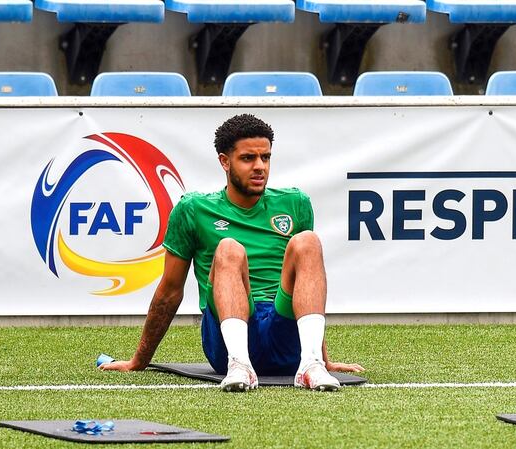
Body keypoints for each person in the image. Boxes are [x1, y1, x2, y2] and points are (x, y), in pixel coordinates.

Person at [100, 114, 364, 392]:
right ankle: (240, 364)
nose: (260, 166)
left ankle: (311, 365)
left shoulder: (296, 203)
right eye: (248, 158)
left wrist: (326, 358)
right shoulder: (193, 209)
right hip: (225, 342)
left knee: (308, 242)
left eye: (266, 157)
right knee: (228, 248)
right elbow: (169, 290)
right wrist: (138, 361)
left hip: (283, 332)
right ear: (225, 161)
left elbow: (306, 288)